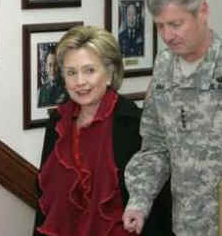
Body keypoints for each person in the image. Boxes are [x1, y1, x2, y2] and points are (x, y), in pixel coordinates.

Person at [122, 0, 222, 236]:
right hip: (186, 224)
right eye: (160, 26)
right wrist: (139, 202)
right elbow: (155, 146)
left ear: (202, 12)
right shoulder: (164, 66)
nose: (167, 35)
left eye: (176, 24)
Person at [32, 25, 173, 236]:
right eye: (71, 72)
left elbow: (157, 207)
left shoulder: (134, 123)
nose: (80, 82)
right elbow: (46, 203)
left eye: (89, 70)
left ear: (109, 74)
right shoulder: (57, 123)